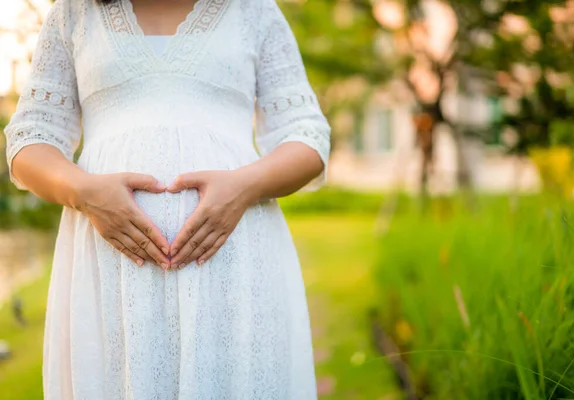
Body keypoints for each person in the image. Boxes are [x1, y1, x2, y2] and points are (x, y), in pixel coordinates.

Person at [2, 0, 331, 398]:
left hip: (233, 261)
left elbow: (307, 135)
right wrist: (85, 193)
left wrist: (245, 185)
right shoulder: (74, 13)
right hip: (110, 268)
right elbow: (30, 138)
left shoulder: (254, 10)